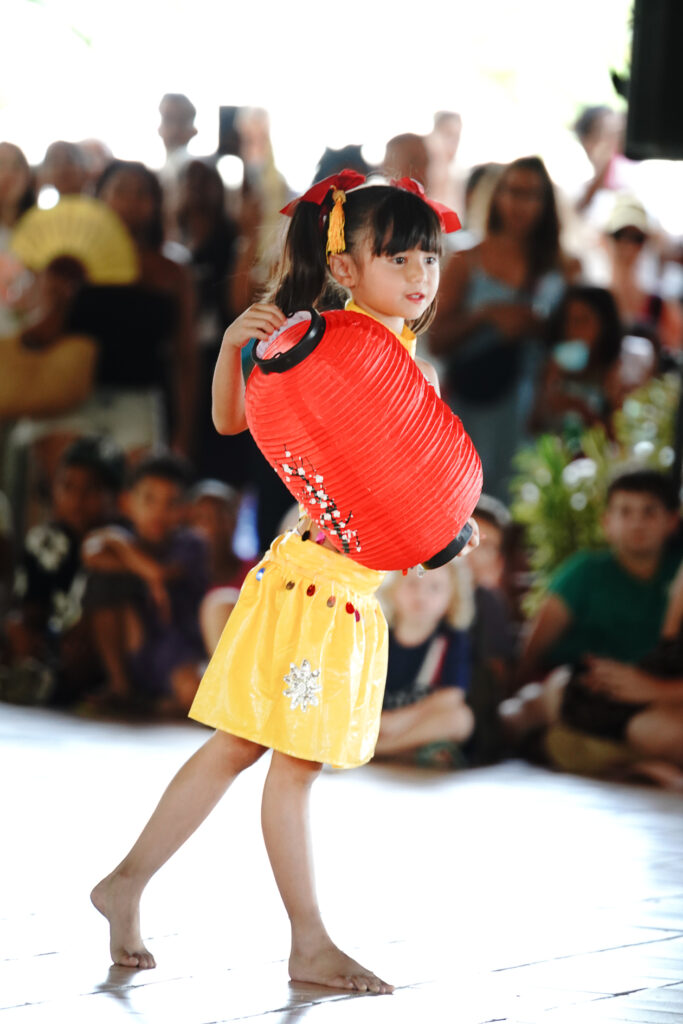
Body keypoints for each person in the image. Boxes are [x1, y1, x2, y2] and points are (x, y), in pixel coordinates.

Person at [90, 172, 479, 993]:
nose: (419, 275)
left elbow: (400, 488)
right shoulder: (324, 341)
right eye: (398, 256)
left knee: (242, 747)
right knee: (286, 765)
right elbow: (235, 422)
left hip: (332, 585)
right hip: (315, 584)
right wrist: (234, 344)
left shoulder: (397, 353)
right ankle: (306, 943)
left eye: (429, 258)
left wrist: (444, 527)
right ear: (345, 269)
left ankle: (127, 884)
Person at [429, 156, 580, 501]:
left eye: (531, 194)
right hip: (473, 402)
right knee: (466, 497)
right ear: (496, 196)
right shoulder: (467, 261)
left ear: (546, 205)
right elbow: (437, 341)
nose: (520, 203)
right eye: (512, 191)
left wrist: (538, 328)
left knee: (526, 498)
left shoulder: (565, 266)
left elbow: (579, 339)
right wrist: (485, 316)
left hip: (533, 405)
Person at [507, 470, 682, 759]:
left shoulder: (677, 574)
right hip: (579, 685)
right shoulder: (585, 570)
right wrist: (517, 682)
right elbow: (536, 643)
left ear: (671, 521)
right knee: (518, 715)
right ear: (607, 522)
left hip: (652, 694)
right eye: (625, 512)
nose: (637, 522)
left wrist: (654, 688)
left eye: (649, 512)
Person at [82, 453, 208, 715]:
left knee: (195, 693)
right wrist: (118, 541)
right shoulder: (122, 535)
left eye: (171, 502)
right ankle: (120, 686)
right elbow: (90, 553)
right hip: (133, 645)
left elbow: (162, 573)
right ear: (127, 502)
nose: (159, 512)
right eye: (149, 499)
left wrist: (140, 565)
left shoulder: (192, 544)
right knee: (101, 582)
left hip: (177, 648)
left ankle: (157, 704)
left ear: (184, 510)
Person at [3, 436, 124, 706]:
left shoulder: (121, 541)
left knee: (86, 644)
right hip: (54, 639)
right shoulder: (44, 540)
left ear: (114, 496)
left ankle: (58, 688)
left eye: (91, 489)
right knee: (15, 628)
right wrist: (33, 635)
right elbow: (32, 606)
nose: (77, 499)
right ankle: (34, 679)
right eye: (67, 487)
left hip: (99, 647)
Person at [374, 562, 475, 766]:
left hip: (417, 724)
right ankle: (412, 752)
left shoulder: (451, 641)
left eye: (435, 588)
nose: (421, 595)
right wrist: (383, 720)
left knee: (461, 719)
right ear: (393, 589)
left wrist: (399, 719)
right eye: (412, 584)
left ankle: (380, 750)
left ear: (452, 598)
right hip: (378, 722)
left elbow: (451, 697)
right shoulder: (378, 635)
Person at [530, 285, 624, 440]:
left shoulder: (614, 376)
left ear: (605, 327)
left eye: (582, 321)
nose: (572, 330)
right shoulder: (552, 367)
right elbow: (533, 426)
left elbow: (618, 440)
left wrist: (581, 410)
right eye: (568, 321)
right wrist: (547, 390)